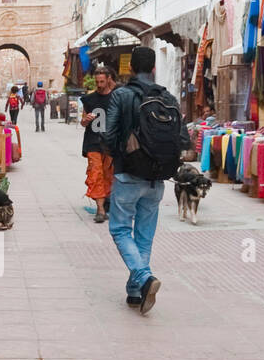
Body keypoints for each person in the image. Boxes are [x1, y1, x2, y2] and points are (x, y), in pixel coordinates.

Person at [104, 46, 188, 314]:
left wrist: (118, 153)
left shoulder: (121, 95)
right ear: (154, 68)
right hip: (157, 178)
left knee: (119, 229)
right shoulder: (169, 98)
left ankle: (142, 277)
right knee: (144, 234)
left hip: (128, 174)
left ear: (130, 69)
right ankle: (134, 292)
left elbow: (107, 134)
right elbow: (183, 139)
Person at [80, 65, 116, 223]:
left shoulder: (117, 98)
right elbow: (82, 122)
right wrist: (85, 120)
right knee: (96, 174)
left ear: (109, 79)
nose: (100, 85)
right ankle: (100, 210)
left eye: (102, 81)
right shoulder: (89, 99)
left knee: (109, 175)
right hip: (93, 143)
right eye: (97, 82)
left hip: (111, 144)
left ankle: (107, 203)